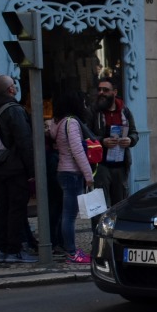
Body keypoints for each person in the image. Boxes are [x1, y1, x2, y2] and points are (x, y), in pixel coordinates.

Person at [0, 75, 37, 263]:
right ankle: (14, 250)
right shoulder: (14, 109)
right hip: (15, 167)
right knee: (16, 209)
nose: (15, 88)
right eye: (14, 85)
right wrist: (32, 170)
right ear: (10, 89)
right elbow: (24, 142)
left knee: (2, 207)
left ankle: (2, 249)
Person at [48, 92, 95, 264]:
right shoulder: (72, 123)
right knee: (69, 215)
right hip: (72, 173)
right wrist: (88, 175)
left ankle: (69, 250)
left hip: (63, 171)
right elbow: (77, 151)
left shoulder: (58, 122)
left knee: (65, 214)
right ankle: (72, 253)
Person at [89, 78, 138, 208]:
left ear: (114, 92)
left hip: (120, 166)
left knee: (119, 205)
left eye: (105, 90)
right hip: (100, 166)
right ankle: (99, 229)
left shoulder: (125, 111)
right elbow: (86, 136)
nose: (101, 92)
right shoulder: (93, 111)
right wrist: (102, 141)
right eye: (99, 89)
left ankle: (116, 228)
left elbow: (134, 132)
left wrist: (130, 140)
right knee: (99, 206)